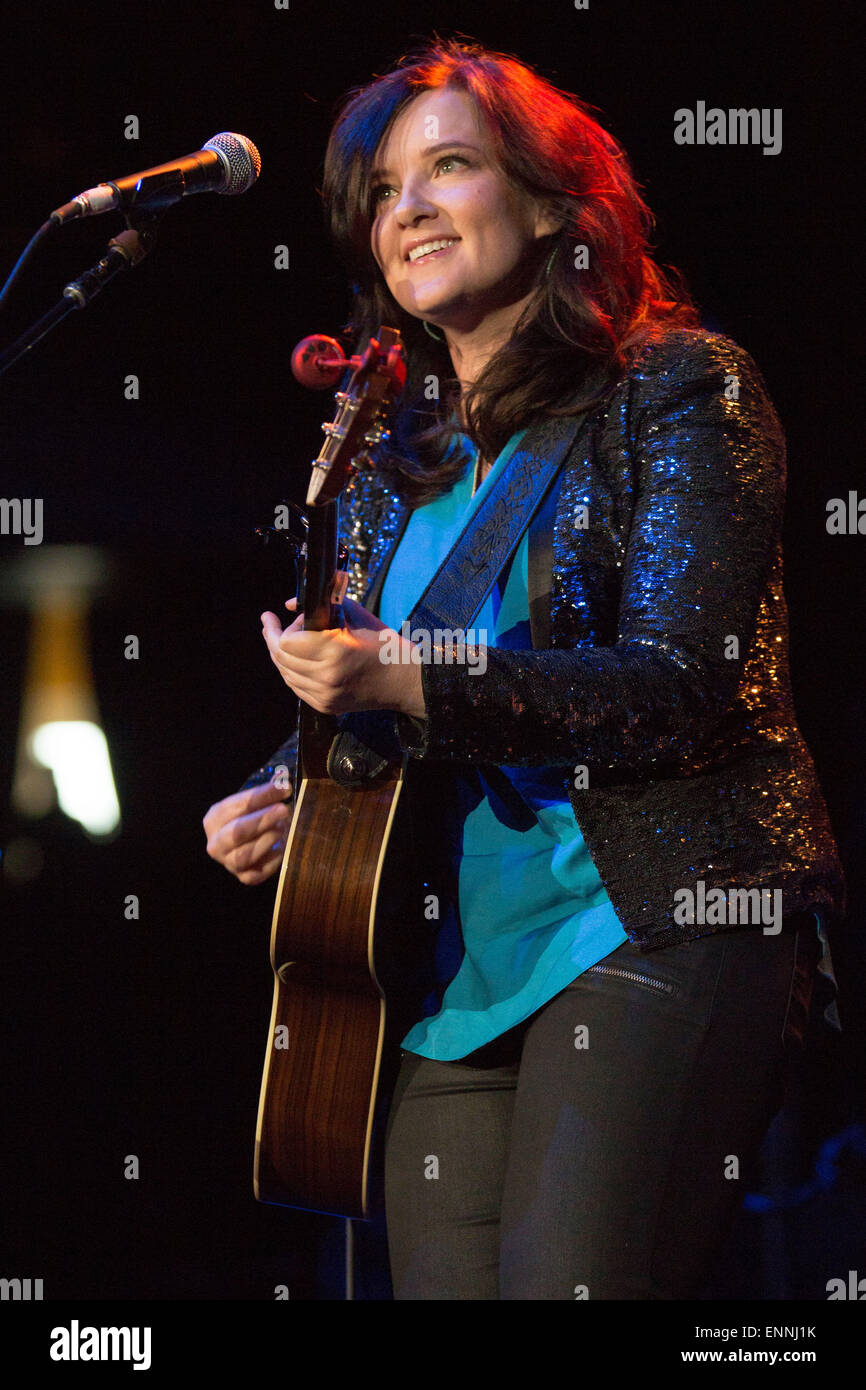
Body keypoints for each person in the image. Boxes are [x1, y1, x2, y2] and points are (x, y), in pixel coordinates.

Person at [202, 39, 846, 1300]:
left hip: (655, 917)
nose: (410, 210)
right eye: (384, 191)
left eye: (450, 166)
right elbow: (383, 681)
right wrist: (283, 788)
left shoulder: (675, 389)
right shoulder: (394, 458)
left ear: (556, 207)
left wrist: (405, 685)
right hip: (451, 974)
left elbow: (678, 680)